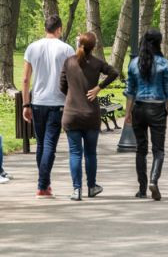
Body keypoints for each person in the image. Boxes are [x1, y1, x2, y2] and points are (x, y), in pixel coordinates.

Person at [59, 32, 120, 201]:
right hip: (91, 115)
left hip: (71, 114)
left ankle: (76, 190)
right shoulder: (97, 63)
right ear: (93, 47)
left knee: (75, 153)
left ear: (79, 44)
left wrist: (72, 95)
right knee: (91, 153)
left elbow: (61, 85)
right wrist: (99, 87)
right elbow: (114, 72)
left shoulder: (69, 62)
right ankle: (92, 186)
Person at [22, 14, 76, 198]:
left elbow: (25, 79)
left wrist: (25, 104)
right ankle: (42, 186)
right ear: (59, 29)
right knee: (49, 145)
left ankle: (44, 184)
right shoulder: (67, 49)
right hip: (58, 102)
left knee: (41, 144)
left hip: (37, 101)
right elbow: (73, 78)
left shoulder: (32, 48)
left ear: (46, 28)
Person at [125, 29, 168, 200]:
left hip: (138, 108)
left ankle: (142, 189)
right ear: (158, 43)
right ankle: (154, 180)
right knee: (158, 150)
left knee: (141, 149)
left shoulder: (134, 63)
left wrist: (127, 113)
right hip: (157, 109)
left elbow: (130, 91)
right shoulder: (163, 63)